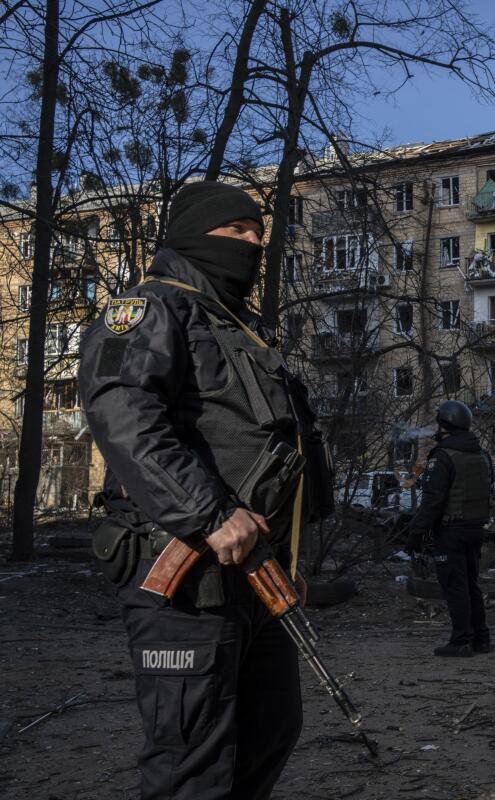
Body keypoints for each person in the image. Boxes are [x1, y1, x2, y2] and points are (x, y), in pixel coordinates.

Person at [80, 181, 333, 798]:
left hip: (255, 570)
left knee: (271, 731)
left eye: (257, 231)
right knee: (192, 759)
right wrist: (211, 512)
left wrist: (291, 557)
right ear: (195, 233)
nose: (253, 243)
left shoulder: (242, 328)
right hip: (186, 572)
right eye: (237, 231)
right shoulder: (147, 309)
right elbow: (123, 413)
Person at [408, 400, 493, 657]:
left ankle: (461, 642)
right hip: (476, 528)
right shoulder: (481, 454)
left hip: (451, 530)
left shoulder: (442, 456)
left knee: (455, 586)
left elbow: (433, 501)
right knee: (471, 584)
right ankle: (481, 639)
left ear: (445, 425)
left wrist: (415, 534)